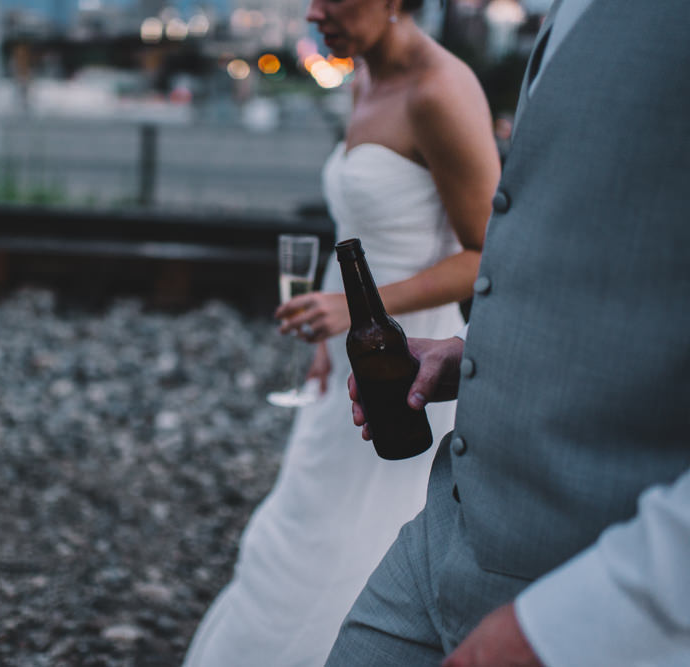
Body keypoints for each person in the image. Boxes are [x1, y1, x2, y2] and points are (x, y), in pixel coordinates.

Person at [326, 0, 690, 665]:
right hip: (450, 521)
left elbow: (478, 244)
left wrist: (608, 610)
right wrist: (473, 358)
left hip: (580, 565)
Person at [183, 0, 500, 664]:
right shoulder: (361, 74)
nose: (314, 10)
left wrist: (354, 309)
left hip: (407, 364)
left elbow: (488, 254)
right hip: (350, 354)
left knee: (362, 538)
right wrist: (330, 338)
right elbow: (362, 231)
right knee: (306, 521)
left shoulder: (440, 88)